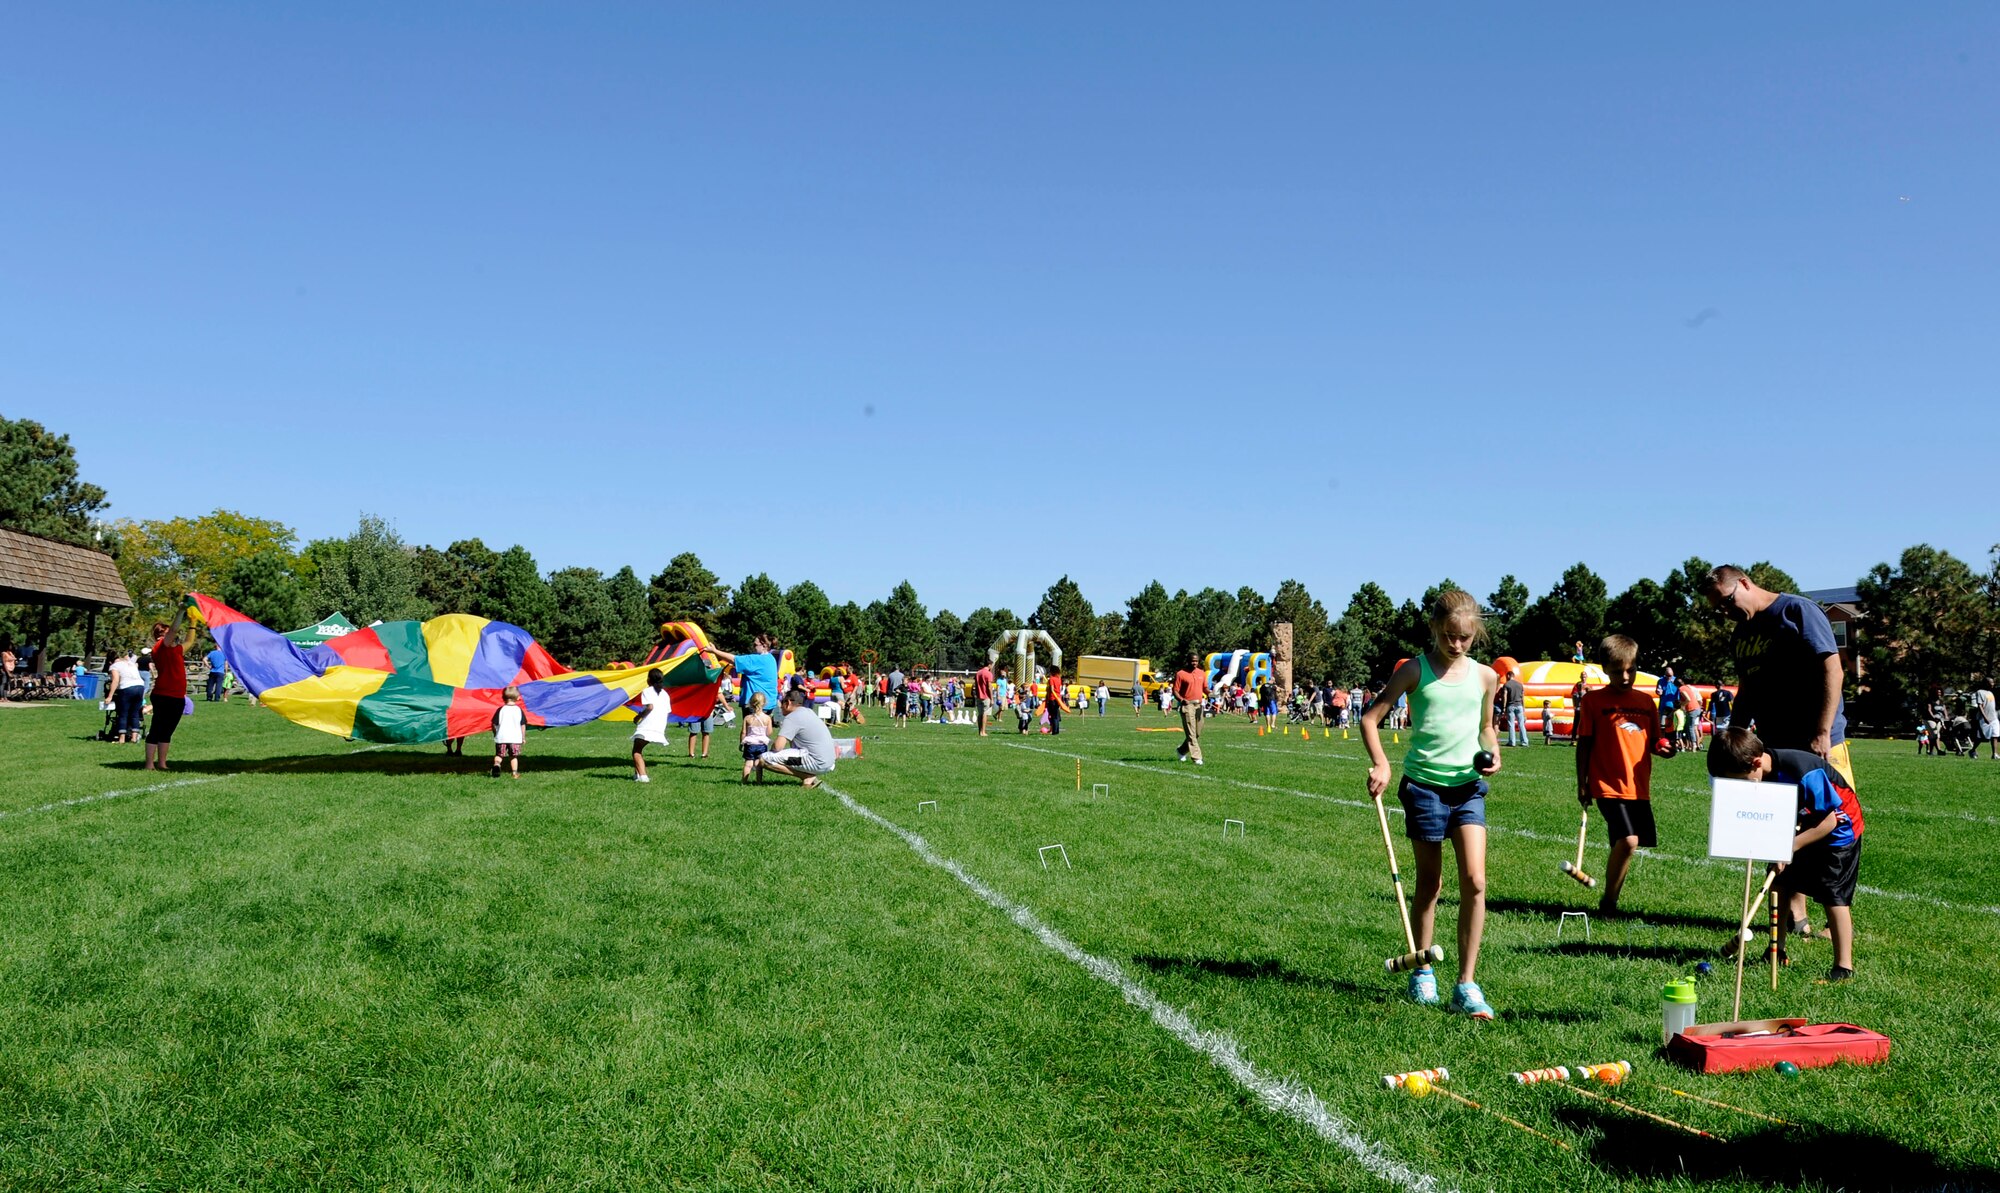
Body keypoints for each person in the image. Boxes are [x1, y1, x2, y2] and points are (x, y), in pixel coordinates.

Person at [1360, 589, 1500, 1019]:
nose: (1456, 644)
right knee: (1431, 884)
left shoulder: (1485, 677)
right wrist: (1382, 763)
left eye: (1465, 638)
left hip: (1468, 788)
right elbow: (1370, 718)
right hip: (1424, 789)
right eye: (1448, 635)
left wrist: (1493, 751)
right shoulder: (1414, 670)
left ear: (1475, 634)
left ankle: (1466, 984)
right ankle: (1422, 970)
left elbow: (1487, 727)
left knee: (1475, 881)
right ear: (1435, 628)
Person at [1708, 726, 1864, 983]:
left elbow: (1829, 822)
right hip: (1800, 825)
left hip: (1840, 830)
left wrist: (1788, 847)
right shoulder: (1760, 775)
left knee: (1833, 894)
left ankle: (1843, 966)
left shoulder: (1803, 771)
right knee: (1779, 883)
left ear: (1756, 763)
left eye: (1740, 780)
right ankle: (1775, 950)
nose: (1741, 787)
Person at [1701, 565, 1854, 788]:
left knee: (1836, 808)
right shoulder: (1740, 634)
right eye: (1719, 609)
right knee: (1782, 810)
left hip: (1815, 741)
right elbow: (1746, 692)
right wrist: (1731, 741)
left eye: (1728, 600)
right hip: (1773, 747)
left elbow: (1832, 670)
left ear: (1744, 583)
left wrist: (1823, 733)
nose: (1726, 611)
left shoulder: (1797, 611)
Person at [1575, 635, 1657, 914]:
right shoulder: (1593, 701)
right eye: (1617, 671)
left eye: (1631, 670)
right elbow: (1584, 744)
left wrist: (1664, 747)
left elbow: (1654, 741)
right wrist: (1582, 783)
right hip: (1607, 784)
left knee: (1624, 845)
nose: (1625, 677)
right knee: (1629, 841)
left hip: (1638, 786)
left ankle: (1610, 901)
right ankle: (1609, 903)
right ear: (1605, 669)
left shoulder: (1646, 702)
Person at [758, 688, 837, 786]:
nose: (781, 706)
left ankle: (806, 776)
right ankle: (808, 776)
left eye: (782, 702)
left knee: (764, 759)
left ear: (788, 703)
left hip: (816, 761)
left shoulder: (792, 717)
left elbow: (778, 747)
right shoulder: (809, 711)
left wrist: (771, 749)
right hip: (829, 762)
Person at [145, 614, 194, 771]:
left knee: (167, 731)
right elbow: (173, 630)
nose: (173, 635)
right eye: (166, 633)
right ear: (160, 635)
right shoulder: (159, 647)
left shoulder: (176, 650)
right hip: (163, 694)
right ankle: (149, 764)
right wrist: (181, 611)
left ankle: (162, 763)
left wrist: (193, 622)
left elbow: (189, 642)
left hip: (178, 696)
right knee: (156, 729)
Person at [703, 635, 781, 727]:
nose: (753, 647)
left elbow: (734, 659)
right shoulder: (771, 658)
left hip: (755, 704)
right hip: (768, 703)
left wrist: (714, 651)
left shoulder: (757, 659)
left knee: (751, 733)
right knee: (761, 733)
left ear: (764, 646)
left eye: (755, 645)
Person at [630, 669, 671, 782]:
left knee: (636, 751)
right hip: (659, 725)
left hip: (648, 725)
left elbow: (650, 707)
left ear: (649, 680)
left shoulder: (647, 691)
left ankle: (643, 777)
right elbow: (667, 711)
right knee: (638, 748)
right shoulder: (665, 694)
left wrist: (639, 716)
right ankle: (637, 775)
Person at [1172, 651, 1207, 765]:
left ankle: (1181, 750)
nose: (1194, 663)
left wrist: (1211, 693)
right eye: (1192, 661)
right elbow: (1175, 691)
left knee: (1197, 733)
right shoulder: (1181, 674)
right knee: (1191, 733)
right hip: (1187, 705)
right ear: (1188, 661)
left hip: (1199, 705)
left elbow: (1205, 688)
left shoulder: (1202, 673)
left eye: (1196, 661)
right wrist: (1181, 699)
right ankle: (1197, 758)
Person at [109, 650, 145, 743]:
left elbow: (115, 680)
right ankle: (134, 737)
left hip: (127, 687)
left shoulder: (114, 666)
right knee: (135, 713)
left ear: (110, 661)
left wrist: (110, 696)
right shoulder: (130, 663)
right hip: (140, 686)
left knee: (123, 713)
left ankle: (122, 739)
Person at [491, 686, 526, 779]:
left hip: (501, 738)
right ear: (518, 698)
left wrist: (495, 733)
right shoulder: (519, 710)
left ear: (503, 698)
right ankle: (514, 773)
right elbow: (522, 725)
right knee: (513, 756)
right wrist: (523, 737)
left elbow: (494, 724)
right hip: (515, 738)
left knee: (499, 755)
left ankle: (497, 764)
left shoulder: (501, 710)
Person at [739, 692, 774, 781]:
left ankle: (744, 781)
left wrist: (741, 743)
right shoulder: (767, 718)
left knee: (748, 764)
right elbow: (769, 732)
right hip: (762, 744)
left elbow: (743, 732)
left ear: (751, 703)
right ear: (764, 703)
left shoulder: (747, 718)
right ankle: (759, 781)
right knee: (759, 764)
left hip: (750, 744)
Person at [1973, 676, 2000, 761]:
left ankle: (1994, 754)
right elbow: (1980, 705)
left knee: (1995, 735)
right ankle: (1973, 750)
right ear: (1986, 683)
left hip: (1994, 717)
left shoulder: (1990, 693)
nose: (1993, 684)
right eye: (1991, 682)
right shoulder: (1980, 692)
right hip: (1984, 718)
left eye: (1993, 682)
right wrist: (1985, 717)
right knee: (1982, 737)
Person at [1502, 667, 1527, 748]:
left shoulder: (1506, 684)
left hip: (1511, 705)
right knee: (1521, 724)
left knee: (1511, 724)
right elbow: (1523, 697)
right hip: (1519, 705)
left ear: (1508, 676)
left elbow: (1505, 696)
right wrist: (1524, 708)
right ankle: (1524, 741)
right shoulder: (1520, 685)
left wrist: (1504, 707)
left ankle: (1512, 742)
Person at [973, 659, 995, 737]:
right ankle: (983, 732)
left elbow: (975, 685)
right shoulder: (988, 673)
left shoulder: (978, 673)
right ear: (989, 665)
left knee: (980, 714)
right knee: (985, 714)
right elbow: (989, 687)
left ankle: (980, 731)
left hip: (979, 696)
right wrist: (992, 698)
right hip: (986, 696)